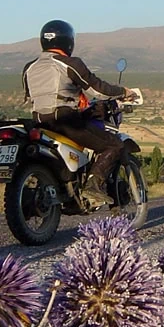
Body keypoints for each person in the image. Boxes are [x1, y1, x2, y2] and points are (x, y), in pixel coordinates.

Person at [22, 19, 136, 206]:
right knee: (114, 145)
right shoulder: (70, 63)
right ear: (68, 41)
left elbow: (31, 96)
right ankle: (93, 186)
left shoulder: (29, 68)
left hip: (40, 122)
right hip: (66, 121)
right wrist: (123, 92)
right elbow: (97, 89)